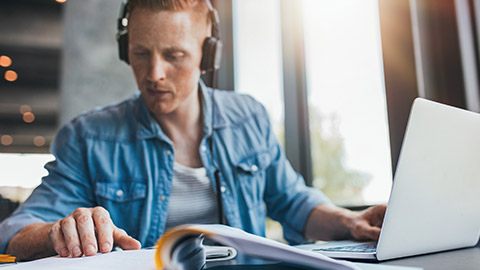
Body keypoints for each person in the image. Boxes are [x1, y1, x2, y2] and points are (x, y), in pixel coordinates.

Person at [0, 0, 386, 261]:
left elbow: (293, 201)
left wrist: (349, 222)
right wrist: (57, 231)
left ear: (208, 55)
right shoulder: (88, 137)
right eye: (140, 53)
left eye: (174, 56)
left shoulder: (248, 117)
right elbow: (13, 232)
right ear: (125, 49)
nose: (154, 74)